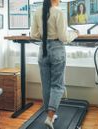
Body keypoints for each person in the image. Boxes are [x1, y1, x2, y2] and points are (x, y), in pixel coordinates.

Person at [30, 0, 79, 129]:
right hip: (57, 49)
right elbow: (63, 37)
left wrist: (45, 34)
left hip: (43, 50)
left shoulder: (37, 12)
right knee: (57, 85)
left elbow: (33, 35)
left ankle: (49, 115)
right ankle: (50, 117)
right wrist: (75, 34)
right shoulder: (58, 12)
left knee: (46, 85)